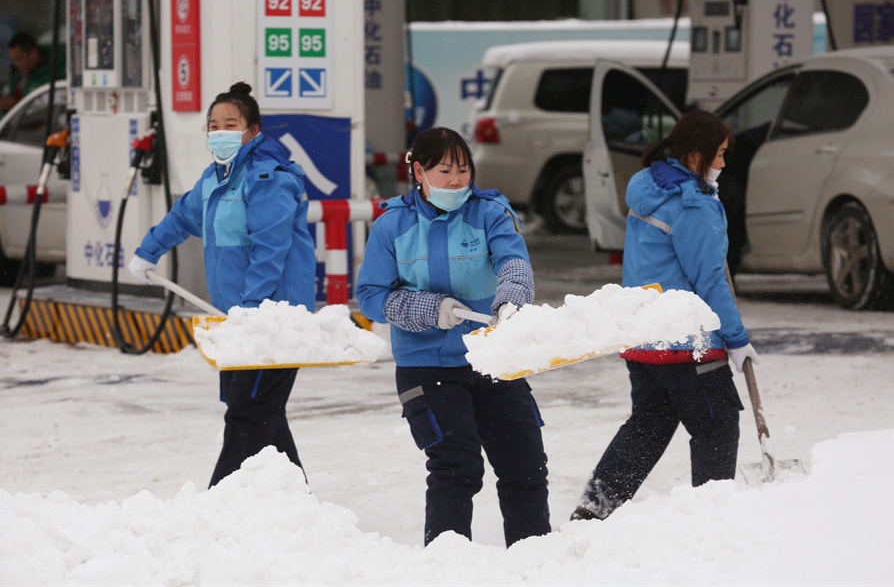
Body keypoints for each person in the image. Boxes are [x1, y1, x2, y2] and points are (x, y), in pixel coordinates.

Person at [356, 127, 550, 547]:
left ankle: (534, 563)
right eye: (445, 170)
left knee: (526, 467)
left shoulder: (490, 212)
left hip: (492, 359)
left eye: (464, 169)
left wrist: (511, 302)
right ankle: (447, 567)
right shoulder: (392, 224)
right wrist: (429, 310)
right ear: (420, 171)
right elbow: (371, 296)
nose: (458, 180)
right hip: (427, 366)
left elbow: (514, 262)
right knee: (456, 466)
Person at [571, 109, 759, 521]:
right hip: (686, 341)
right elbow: (709, 283)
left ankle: (594, 510)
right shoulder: (693, 206)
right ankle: (711, 519)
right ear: (696, 156)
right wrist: (736, 337)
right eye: (721, 154)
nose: (724, 164)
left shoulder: (649, 189)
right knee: (717, 424)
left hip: (643, 336)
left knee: (648, 425)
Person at [127, 82, 316, 488]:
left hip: (273, 320)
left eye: (230, 123)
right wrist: (149, 251)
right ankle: (298, 500)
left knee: (247, 411)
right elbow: (183, 217)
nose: (219, 131)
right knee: (259, 410)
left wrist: (251, 310)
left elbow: (270, 250)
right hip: (238, 319)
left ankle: (218, 499)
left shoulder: (269, 178)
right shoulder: (215, 180)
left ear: (253, 130)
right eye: (213, 124)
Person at [0, 33, 64, 113]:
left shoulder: (53, 71)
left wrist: (15, 105)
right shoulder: (17, 75)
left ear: (34, 54)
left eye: (19, 59)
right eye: (14, 60)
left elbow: (40, 108)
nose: (16, 64)